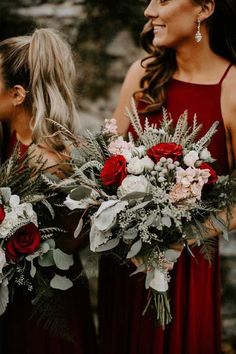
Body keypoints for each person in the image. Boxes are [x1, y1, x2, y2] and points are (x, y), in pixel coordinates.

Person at [98, 1, 236, 353]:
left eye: (162, 0)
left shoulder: (231, 87)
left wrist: (181, 236)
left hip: (185, 272)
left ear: (204, 8)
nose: (148, 11)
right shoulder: (142, 74)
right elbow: (104, 165)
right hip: (125, 266)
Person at [0, 28, 97, 354]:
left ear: (16, 94)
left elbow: (74, 238)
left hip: (45, 300)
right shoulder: (9, 138)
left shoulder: (47, 159)